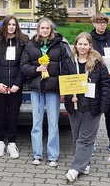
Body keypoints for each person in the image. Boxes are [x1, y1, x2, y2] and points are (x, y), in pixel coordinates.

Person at [20, 17, 70, 167]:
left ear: (51, 30)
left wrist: (64, 89)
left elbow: (66, 68)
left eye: (48, 28)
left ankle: (53, 156)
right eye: (42, 28)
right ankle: (37, 154)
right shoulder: (30, 45)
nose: (45, 30)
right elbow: (23, 66)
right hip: (36, 89)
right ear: (38, 30)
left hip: (53, 89)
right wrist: (36, 69)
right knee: (37, 123)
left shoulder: (59, 45)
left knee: (53, 123)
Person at [62, 32, 110, 182]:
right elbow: (65, 83)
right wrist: (70, 96)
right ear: (75, 45)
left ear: (90, 46)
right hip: (75, 107)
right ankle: (85, 163)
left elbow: (105, 86)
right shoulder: (69, 62)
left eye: (85, 44)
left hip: (92, 107)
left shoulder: (98, 63)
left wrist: (103, 107)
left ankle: (76, 168)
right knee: (77, 137)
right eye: (79, 44)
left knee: (86, 139)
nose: (82, 47)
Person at [0, 15, 29, 159]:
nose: (11, 27)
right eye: (9, 24)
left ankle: (12, 142)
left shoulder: (23, 42)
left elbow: (23, 65)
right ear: (4, 26)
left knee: (13, 115)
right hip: (0, 87)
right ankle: (0, 141)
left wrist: (18, 84)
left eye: (14, 24)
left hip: (14, 88)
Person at [90, 13, 110, 152]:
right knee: (92, 115)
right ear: (94, 24)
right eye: (99, 22)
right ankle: (91, 142)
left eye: (104, 22)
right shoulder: (89, 40)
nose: (102, 25)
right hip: (95, 85)